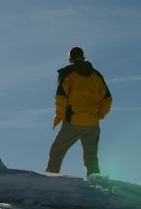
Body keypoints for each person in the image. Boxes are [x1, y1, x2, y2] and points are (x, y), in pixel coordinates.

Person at [46, 47, 112, 176]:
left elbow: (61, 98)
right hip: (92, 123)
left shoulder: (67, 73)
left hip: (73, 121)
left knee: (57, 151)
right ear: (83, 57)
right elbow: (108, 99)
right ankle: (96, 182)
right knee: (91, 157)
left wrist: (58, 117)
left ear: (70, 59)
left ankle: (50, 178)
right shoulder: (96, 75)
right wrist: (99, 115)